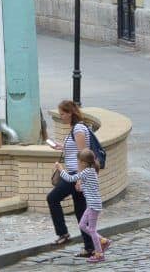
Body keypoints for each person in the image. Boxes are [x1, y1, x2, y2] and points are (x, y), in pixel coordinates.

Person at [46, 100, 95, 257]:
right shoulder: (76, 128)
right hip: (76, 174)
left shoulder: (79, 128)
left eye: (62, 114)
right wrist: (62, 147)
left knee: (52, 198)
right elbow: (76, 149)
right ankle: (90, 248)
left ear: (70, 113)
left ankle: (63, 234)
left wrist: (80, 179)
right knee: (80, 211)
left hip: (75, 175)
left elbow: (84, 155)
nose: (61, 117)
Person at [55, 149, 112, 263]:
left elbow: (70, 178)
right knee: (82, 225)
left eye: (78, 162)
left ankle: (99, 254)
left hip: (93, 205)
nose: (77, 164)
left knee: (91, 230)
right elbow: (90, 187)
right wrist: (80, 188)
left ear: (83, 163)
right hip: (92, 204)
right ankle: (103, 241)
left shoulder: (87, 172)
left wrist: (61, 169)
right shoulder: (91, 171)